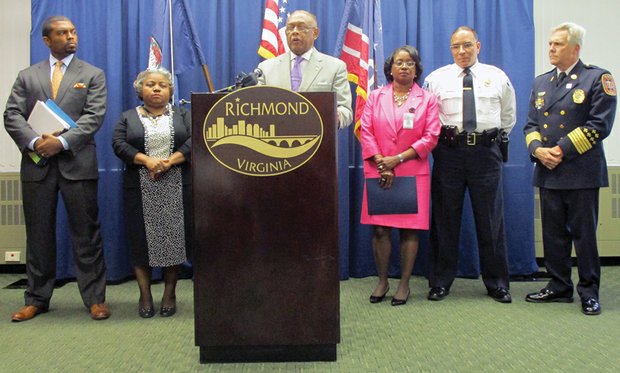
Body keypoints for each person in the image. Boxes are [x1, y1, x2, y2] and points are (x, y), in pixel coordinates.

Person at [4, 16, 110, 321]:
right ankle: (36, 298)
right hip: (37, 166)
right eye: (63, 33)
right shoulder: (28, 76)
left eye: (73, 32)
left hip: (77, 164)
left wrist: (60, 143)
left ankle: (95, 299)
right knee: (38, 235)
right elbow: (12, 114)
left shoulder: (92, 74)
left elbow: (95, 116)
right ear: (47, 41)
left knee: (86, 234)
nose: (71, 37)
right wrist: (36, 141)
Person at [523, 22, 616, 316]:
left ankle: (588, 292)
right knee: (552, 235)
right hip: (548, 170)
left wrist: (560, 150)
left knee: (583, 236)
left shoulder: (597, 78)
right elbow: (531, 125)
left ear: (575, 48)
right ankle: (559, 285)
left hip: (580, 171)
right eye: (550, 43)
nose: (551, 48)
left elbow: (599, 126)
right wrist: (538, 150)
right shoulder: (541, 82)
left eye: (558, 44)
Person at [424, 26, 516, 303]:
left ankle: (497, 283)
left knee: (491, 221)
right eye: (456, 47)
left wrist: (489, 141)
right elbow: (429, 117)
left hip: (486, 154)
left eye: (467, 45)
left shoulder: (497, 77)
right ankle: (440, 282)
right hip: (449, 154)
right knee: (445, 219)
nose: (462, 52)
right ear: (450, 48)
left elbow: (508, 116)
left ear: (478, 45)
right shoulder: (435, 79)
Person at [360, 46, 440, 306]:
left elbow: (431, 137)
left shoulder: (427, 99)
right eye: (399, 62)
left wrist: (398, 159)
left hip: (412, 170)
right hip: (379, 168)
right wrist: (382, 163)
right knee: (381, 229)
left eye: (410, 63)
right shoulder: (375, 96)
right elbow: (366, 130)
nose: (404, 67)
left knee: (409, 231)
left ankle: (404, 285)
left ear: (417, 69)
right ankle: (382, 281)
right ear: (390, 68)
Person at [112, 68, 191, 318]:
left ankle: (170, 293)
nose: (157, 89)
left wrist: (168, 162)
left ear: (170, 91)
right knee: (140, 241)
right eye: (150, 85)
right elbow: (119, 144)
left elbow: (194, 141)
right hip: (140, 186)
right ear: (140, 90)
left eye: (162, 85)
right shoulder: (127, 117)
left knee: (174, 240)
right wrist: (146, 160)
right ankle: (145, 294)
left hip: (176, 184)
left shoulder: (183, 115)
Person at [257, 10, 353, 128]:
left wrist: (336, 116)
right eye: (290, 28)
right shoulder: (266, 68)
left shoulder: (335, 67)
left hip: (318, 140)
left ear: (315, 33)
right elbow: (257, 107)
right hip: (275, 138)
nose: (295, 32)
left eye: (301, 27)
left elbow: (345, 110)